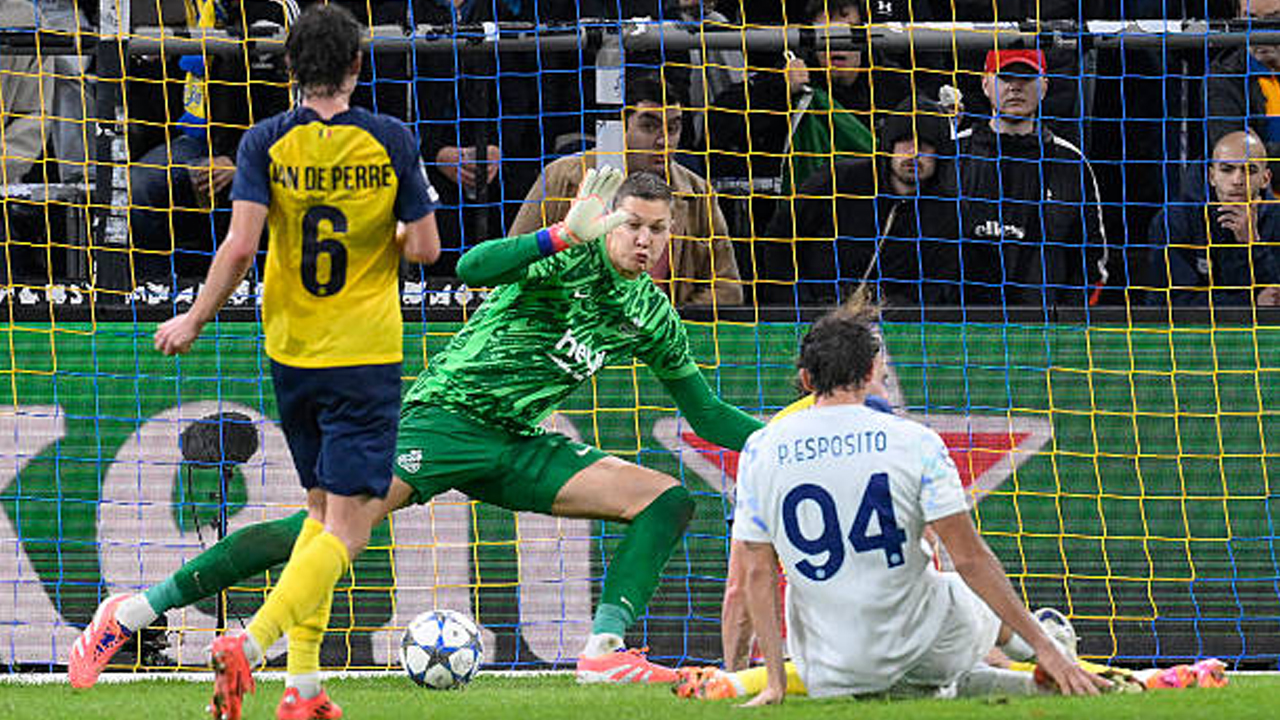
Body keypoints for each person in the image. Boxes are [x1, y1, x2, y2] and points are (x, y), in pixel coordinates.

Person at [68, 168, 766, 693]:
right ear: (609, 221)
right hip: (444, 419)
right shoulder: (567, 258)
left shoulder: (651, 314)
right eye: (632, 224)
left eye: (657, 229)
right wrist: (561, 231)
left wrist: (779, 435)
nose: (643, 240)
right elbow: (469, 267)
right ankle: (129, 613)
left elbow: (705, 415)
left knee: (666, 499)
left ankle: (604, 651)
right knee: (316, 534)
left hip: (519, 442)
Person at [71, 6, 442, 720]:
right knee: (352, 529)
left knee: (317, 514)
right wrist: (385, 232)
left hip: (292, 353)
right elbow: (426, 250)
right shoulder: (391, 138)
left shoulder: (265, 141)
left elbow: (240, 248)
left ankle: (303, 689)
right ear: (357, 67)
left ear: (290, 69)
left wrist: (192, 318)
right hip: (364, 353)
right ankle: (252, 638)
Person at [676, 300, 1110, 704]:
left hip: (828, 668)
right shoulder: (915, 442)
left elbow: (755, 573)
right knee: (958, 587)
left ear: (806, 380)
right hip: (930, 643)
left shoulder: (760, 448)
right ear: (870, 374)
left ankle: (1016, 679)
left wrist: (774, 679)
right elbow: (970, 557)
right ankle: (1049, 647)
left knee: (900, 668)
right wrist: (1039, 646)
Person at [508, 74, 743, 307]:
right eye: (649, 127)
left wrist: (663, 319)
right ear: (619, 127)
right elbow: (513, 260)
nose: (664, 141)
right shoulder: (562, 177)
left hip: (656, 338)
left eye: (673, 128)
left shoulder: (698, 192)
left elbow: (727, 289)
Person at [758, 97, 959, 307]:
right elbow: (780, 239)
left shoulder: (946, 212)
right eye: (905, 141)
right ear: (889, 145)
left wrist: (890, 314)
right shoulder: (837, 181)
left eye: (926, 145)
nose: (914, 153)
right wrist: (799, 303)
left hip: (892, 328)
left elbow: (936, 284)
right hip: (813, 317)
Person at [953, 49, 1109, 308]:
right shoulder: (954, 154)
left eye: (1026, 78)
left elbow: (1092, 257)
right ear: (985, 84)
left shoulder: (1071, 162)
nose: (1015, 87)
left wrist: (1068, 318)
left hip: (1045, 333)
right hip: (959, 330)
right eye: (1005, 78)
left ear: (1044, 86)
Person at [1145, 130, 1280, 306]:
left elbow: (1275, 297)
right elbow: (1170, 302)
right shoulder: (1174, 220)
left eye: (1250, 170)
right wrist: (1250, 303)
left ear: (1265, 179)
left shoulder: (1276, 219)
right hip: (1190, 332)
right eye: (1227, 169)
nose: (1237, 180)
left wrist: (1252, 244)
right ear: (1212, 176)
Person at [1208, 0, 1280, 178]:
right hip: (1258, 203)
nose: (1261, 31)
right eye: (1251, 19)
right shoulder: (1224, 78)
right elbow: (1239, 163)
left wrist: (1263, 149)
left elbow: (1257, 160)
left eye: (1274, 19)